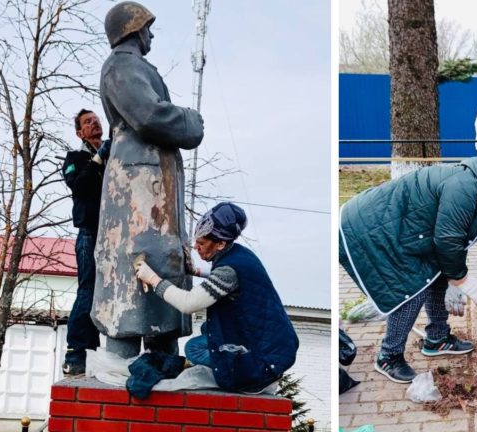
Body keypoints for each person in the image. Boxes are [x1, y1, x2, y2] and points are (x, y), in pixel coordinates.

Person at [340, 152, 477, 383]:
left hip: (401, 231)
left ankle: (436, 338)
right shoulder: (466, 186)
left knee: (436, 275)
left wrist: (453, 278)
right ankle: (388, 356)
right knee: (411, 289)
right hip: (369, 230)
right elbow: (448, 240)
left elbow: (455, 241)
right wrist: (461, 280)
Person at [92, 1, 205, 358]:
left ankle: (161, 359)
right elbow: (149, 116)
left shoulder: (131, 66)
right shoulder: (122, 66)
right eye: (147, 27)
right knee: (132, 275)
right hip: (138, 194)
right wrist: (191, 121)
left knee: (157, 269)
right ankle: (127, 365)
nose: (151, 33)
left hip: (150, 189)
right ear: (134, 30)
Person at [134, 203, 299, 393]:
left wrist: (153, 279)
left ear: (220, 244)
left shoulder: (229, 271)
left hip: (265, 359)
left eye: (202, 243)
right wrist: (195, 270)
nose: (196, 247)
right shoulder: (239, 255)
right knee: (201, 342)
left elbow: (189, 303)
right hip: (272, 344)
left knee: (194, 350)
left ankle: (252, 378)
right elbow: (223, 275)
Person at [61, 109, 110, 375]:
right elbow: (79, 187)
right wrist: (98, 158)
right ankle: (76, 352)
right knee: (88, 290)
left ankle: (93, 351)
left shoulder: (115, 156)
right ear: (80, 132)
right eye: (87, 122)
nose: (94, 123)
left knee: (106, 294)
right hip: (90, 234)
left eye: (96, 120)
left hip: (113, 236)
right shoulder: (76, 159)